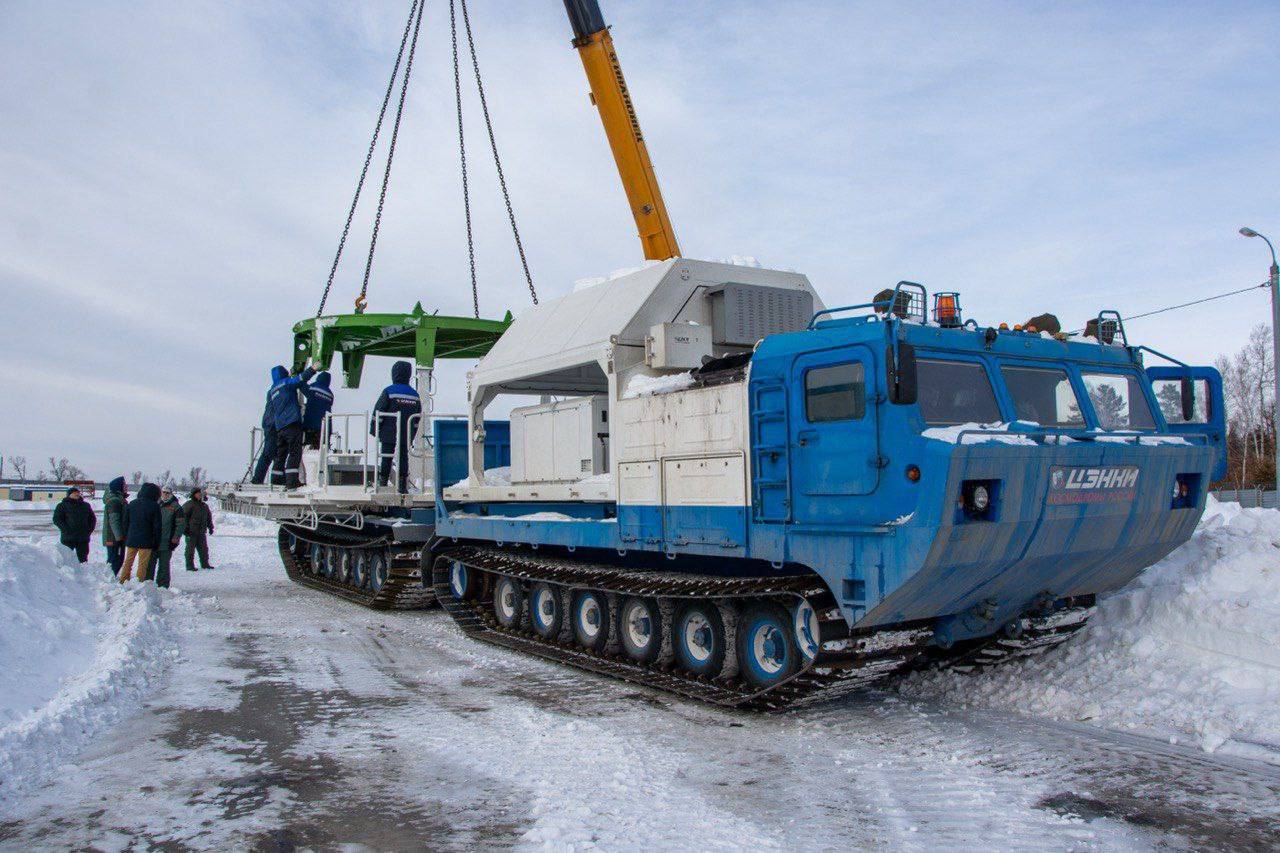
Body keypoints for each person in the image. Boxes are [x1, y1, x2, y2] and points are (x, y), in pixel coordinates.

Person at [370, 360, 422, 492]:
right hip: (405, 433)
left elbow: (378, 411)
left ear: (394, 373)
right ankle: (403, 486)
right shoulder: (415, 395)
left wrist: (374, 429)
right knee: (404, 458)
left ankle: (383, 483)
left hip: (389, 432)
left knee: (386, 457)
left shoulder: (389, 391)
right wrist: (411, 435)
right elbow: (416, 419)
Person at [269, 363, 316, 489]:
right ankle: (292, 481)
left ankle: (276, 479)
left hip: (280, 427)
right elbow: (300, 379)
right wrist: (312, 369)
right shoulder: (286, 383)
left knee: (281, 454)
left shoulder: (273, 389)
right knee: (295, 452)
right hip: (291, 423)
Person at [119, 482, 162, 583]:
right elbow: (157, 527)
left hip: (132, 539)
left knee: (128, 562)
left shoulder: (132, 503)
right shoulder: (155, 506)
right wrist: (156, 542)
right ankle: (139, 583)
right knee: (142, 565)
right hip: (146, 541)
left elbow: (125, 522)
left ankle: (123, 580)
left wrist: (126, 535)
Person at [250, 366, 285, 485]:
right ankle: (258, 479)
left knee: (276, 453)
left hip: (270, 423)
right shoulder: (280, 388)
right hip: (274, 424)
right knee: (269, 452)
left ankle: (277, 478)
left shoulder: (272, 389)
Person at [147, 486, 186, 588]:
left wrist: (176, 537)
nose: (165, 494)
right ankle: (148, 585)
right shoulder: (155, 504)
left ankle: (163, 586)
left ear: (171, 494)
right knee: (150, 564)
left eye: (168, 493)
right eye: (164, 492)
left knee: (164, 566)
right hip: (153, 541)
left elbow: (181, 524)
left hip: (167, 542)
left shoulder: (176, 507)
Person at [52, 486, 97, 563]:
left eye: (77, 493)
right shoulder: (62, 506)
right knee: (66, 560)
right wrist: (66, 529)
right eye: (74, 493)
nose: (76, 494)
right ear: (69, 495)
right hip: (68, 538)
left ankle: (85, 574)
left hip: (83, 538)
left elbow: (92, 519)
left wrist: (88, 530)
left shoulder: (85, 505)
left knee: (83, 560)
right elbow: (57, 519)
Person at [182, 487, 215, 571]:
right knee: (190, 550)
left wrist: (210, 527)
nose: (200, 494)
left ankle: (205, 564)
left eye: (200, 492)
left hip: (201, 532)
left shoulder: (204, 505)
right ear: (193, 494)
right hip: (191, 532)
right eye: (197, 493)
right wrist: (185, 529)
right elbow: (183, 517)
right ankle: (189, 566)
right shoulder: (189, 504)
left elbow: (208, 517)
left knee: (204, 549)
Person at [301, 370, 335, 450]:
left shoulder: (313, 387)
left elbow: (301, 385)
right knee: (322, 452)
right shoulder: (330, 394)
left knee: (309, 451)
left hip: (311, 425)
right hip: (326, 428)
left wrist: (299, 376)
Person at [102, 476, 129, 575]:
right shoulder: (114, 501)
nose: (126, 487)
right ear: (119, 487)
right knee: (115, 560)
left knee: (117, 559)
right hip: (114, 538)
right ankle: (109, 580)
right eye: (124, 485)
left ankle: (111, 578)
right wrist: (119, 538)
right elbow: (114, 521)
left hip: (116, 538)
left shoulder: (119, 499)